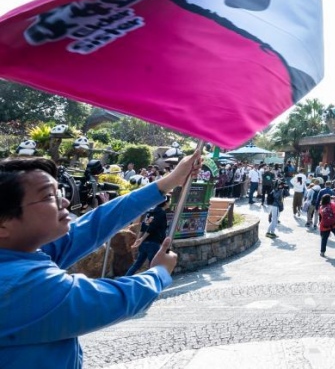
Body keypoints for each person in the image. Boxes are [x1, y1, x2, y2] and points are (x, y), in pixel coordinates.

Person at [0, 155, 195, 368]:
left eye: (59, 192)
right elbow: (114, 299)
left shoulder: (20, 251)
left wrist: (169, 181)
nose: (64, 201)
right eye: (48, 196)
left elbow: (96, 224)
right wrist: (159, 273)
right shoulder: (20, 285)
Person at [126, 195, 170, 276]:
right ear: (166, 203)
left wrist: (138, 240)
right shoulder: (161, 213)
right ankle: (151, 283)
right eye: (169, 201)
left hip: (144, 244)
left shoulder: (150, 212)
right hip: (153, 243)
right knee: (153, 266)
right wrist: (141, 239)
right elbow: (152, 228)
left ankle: (125, 278)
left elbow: (143, 227)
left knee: (137, 264)